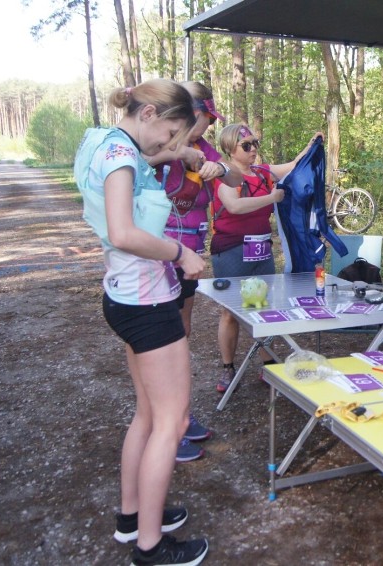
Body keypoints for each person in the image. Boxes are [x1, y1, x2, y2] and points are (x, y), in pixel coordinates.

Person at [74, 79, 209, 565]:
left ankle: (133, 518)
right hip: (147, 304)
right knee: (172, 422)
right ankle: (150, 547)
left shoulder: (105, 142)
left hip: (126, 296)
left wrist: (173, 159)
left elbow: (131, 182)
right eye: (171, 133)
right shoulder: (122, 156)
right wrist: (179, 252)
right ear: (149, 113)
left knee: (148, 415)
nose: (169, 145)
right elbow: (123, 231)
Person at [147, 81, 242, 463]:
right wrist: (178, 151)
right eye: (203, 117)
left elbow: (236, 179)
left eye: (209, 119)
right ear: (187, 112)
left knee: (181, 334)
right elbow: (142, 160)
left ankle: (179, 419)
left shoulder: (204, 148)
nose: (206, 126)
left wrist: (220, 167)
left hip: (191, 253)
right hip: (158, 252)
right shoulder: (157, 139)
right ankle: (164, 429)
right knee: (160, 343)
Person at [211, 124, 322, 392]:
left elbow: (294, 165)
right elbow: (234, 206)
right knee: (230, 311)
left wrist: (313, 144)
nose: (253, 149)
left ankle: (267, 363)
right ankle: (228, 368)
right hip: (231, 250)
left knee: (261, 308)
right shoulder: (223, 174)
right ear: (229, 149)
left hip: (260, 249)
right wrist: (272, 198)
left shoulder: (263, 172)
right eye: (246, 145)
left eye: (254, 143)